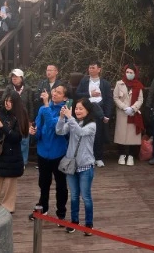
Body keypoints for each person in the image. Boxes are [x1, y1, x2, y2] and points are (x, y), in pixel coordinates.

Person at [56, 99, 98, 235]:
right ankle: (74, 222)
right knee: (74, 196)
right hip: (71, 165)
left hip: (85, 166)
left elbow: (80, 132)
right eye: (76, 108)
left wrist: (70, 117)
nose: (77, 111)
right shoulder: (73, 121)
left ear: (88, 110)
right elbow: (59, 131)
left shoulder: (92, 125)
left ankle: (89, 225)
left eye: (81, 109)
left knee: (86, 196)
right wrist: (62, 118)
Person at [29, 84, 70, 221]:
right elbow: (39, 125)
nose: (55, 93)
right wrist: (34, 132)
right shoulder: (43, 109)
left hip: (58, 153)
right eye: (54, 91)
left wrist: (46, 105)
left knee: (61, 185)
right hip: (43, 152)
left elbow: (54, 126)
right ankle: (43, 207)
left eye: (59, 92)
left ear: (64, 97)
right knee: (43, 183)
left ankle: (61, 212)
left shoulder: (65, 110)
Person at [0, 90, 29, 213]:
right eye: (6, 100)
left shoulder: (21, 115)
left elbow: (17, 137)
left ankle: (8, 208)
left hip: (12, 155)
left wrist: (2, 126)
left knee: (10, 184)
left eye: (10, 101)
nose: (7, 103)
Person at [75, 61, 113, 168]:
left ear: (99, 69)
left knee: (98, 135)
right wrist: (90, 94)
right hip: (87, 110)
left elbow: (109, 100)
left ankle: (99, 157)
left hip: (100, 109)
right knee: (86, 133)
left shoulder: (105, 83)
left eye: (93, 68)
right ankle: (87, 157)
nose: (90, 69)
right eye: (89, 68)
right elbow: (77, 94)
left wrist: (108, 114)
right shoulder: (84, 81)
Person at [112, 65, 144, 166]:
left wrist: (133, 108)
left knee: (132, 136)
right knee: (121, 134)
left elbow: (140, 99)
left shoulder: (138, 85)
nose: (129, 74)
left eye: (131, 72)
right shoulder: (119, 83)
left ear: (135, 74)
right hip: (122, 113)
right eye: (127, 72)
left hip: (133, 113)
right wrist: (124, 107)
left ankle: (131, 156)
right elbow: (115, 97)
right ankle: (121, 154)